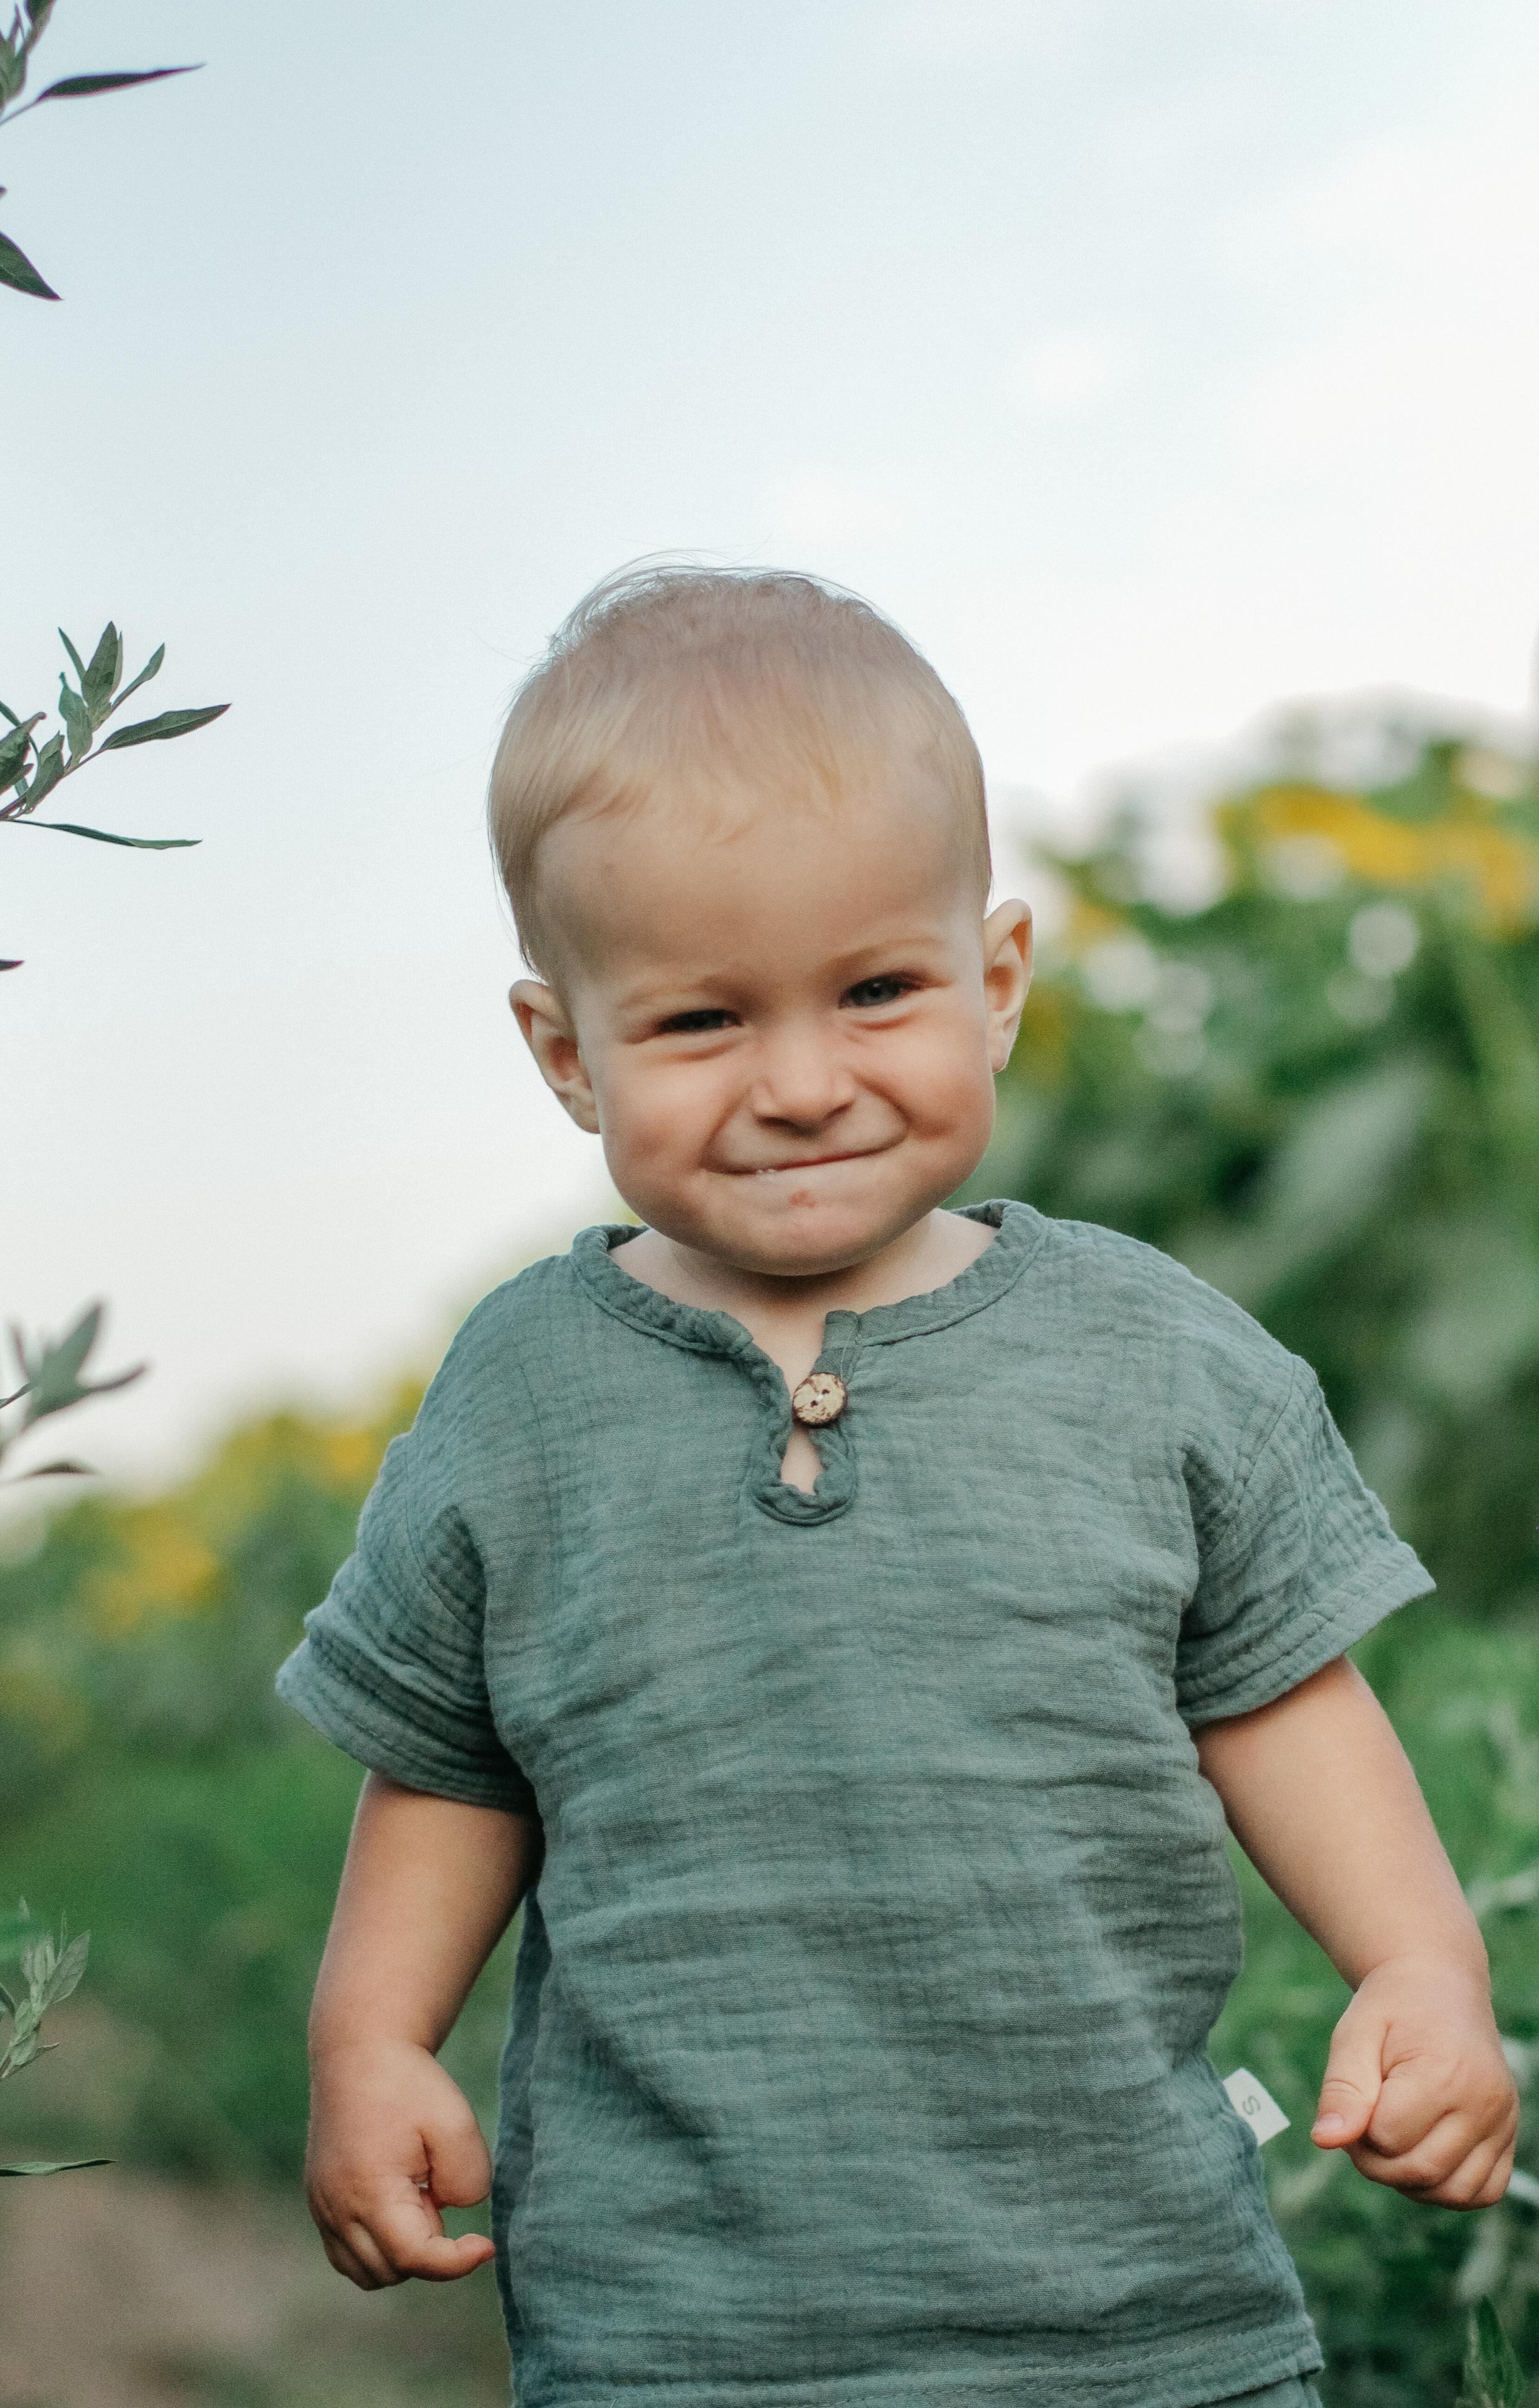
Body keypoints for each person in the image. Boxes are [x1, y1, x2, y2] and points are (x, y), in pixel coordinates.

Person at [276, 565, 1518, 2408]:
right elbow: (453, 1764)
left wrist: (1422, 1967)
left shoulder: (1145, 1353)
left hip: (1143, 2316)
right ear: (567, 1052)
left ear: (995, 983)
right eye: (702, 1023)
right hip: (679, 2333)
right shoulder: (524, 1394)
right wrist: (371, 2041)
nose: (801, 1082)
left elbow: (1282, 1696)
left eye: (876, 992)